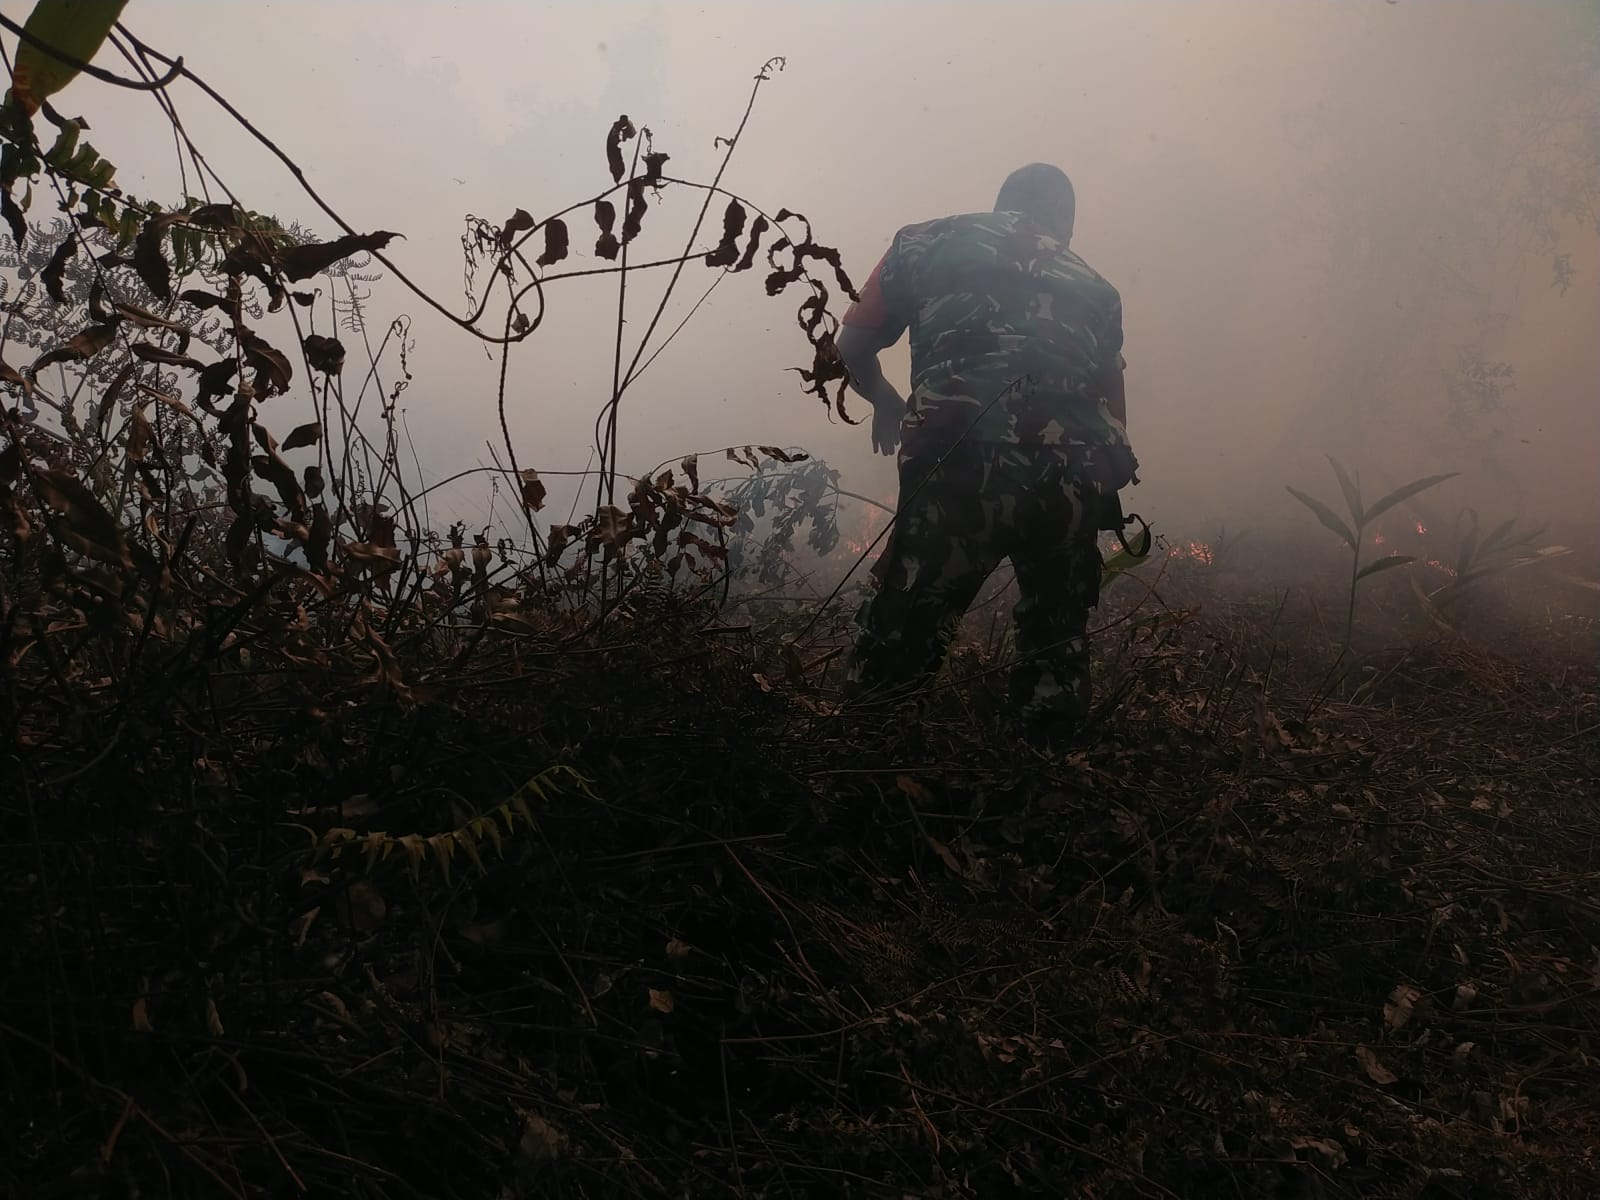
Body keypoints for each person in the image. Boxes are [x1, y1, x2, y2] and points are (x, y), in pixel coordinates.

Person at [835, 162, 1137, 742]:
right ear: (1063, 220)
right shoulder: (1097, 288)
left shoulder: (920, 243)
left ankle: (862, 769)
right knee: (1056, 641)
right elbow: (1115, 416)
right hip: (1069, 474)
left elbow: (849, 346)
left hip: (956, 466)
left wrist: (887, 401)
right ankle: (1044, 780)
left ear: (1002, 203)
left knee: (900, 637)